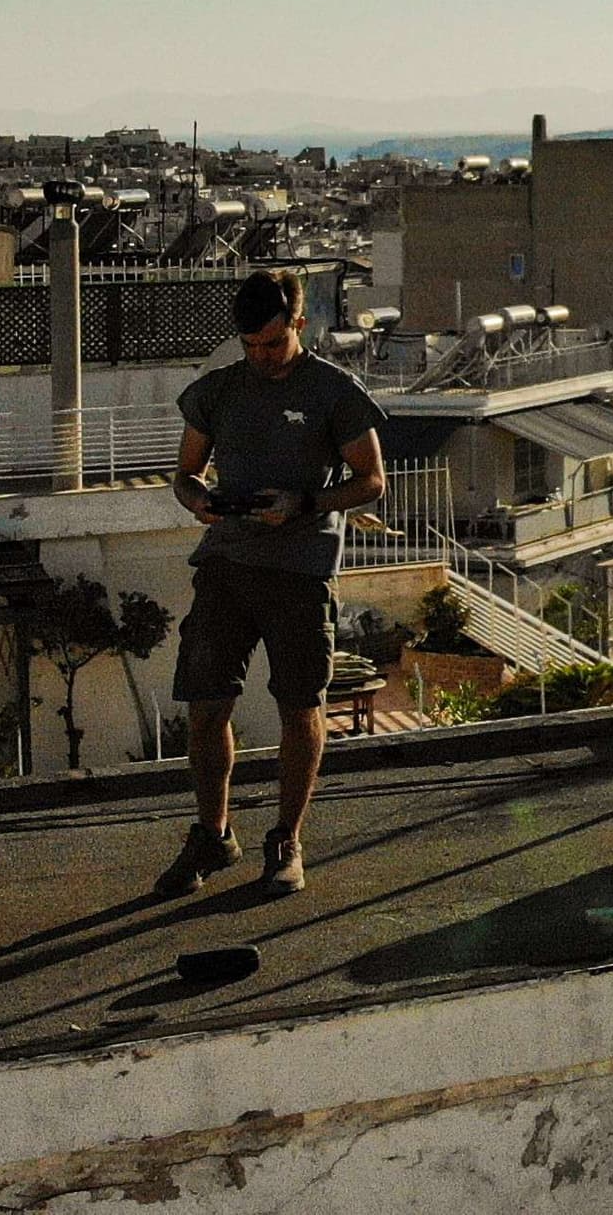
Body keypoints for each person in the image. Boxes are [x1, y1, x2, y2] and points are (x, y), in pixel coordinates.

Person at [158, 270, 384, 896]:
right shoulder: (218, 391)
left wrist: (305, 502)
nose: (260, 357)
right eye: (250, 346)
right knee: (206, 705)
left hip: (301, 569)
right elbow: (184, 472)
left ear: (297, 326)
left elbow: (372, 481)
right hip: (227, 564)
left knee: (299, 705)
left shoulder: (335, 392)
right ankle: (212, 835)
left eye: (272, 344)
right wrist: (196, 499)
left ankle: (286, 840)